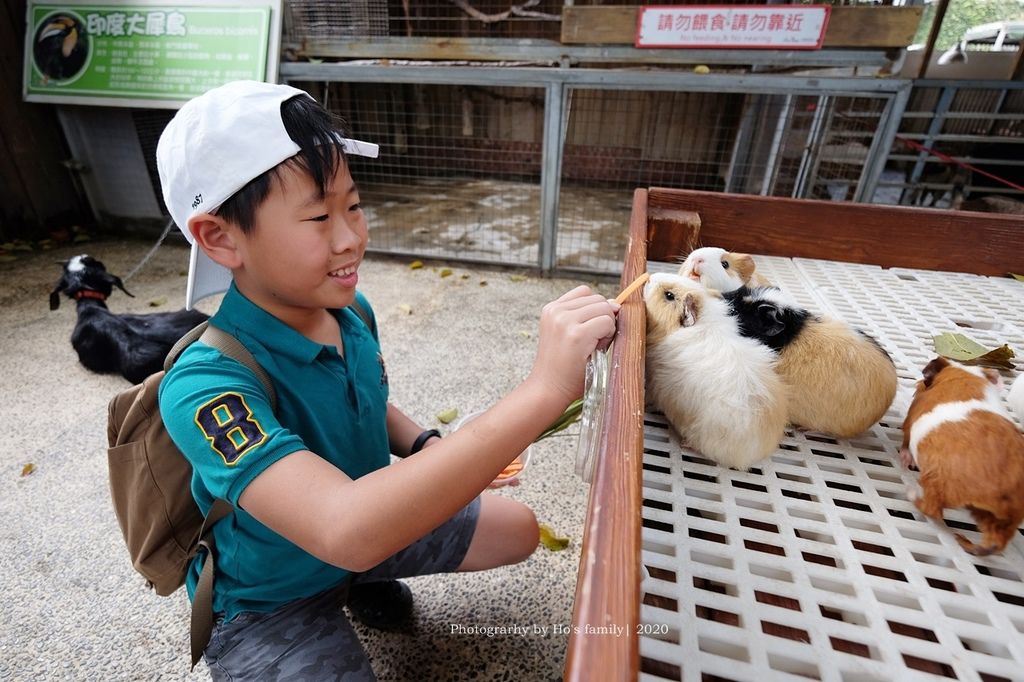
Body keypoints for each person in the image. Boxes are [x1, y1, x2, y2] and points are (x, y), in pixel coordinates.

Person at [155, 80, 619, 680]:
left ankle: (360, 578)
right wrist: (547, 390)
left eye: (352, 204)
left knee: (517, 531)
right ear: (220, 237)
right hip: (269, 598)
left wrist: (426, 443)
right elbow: (341, 526)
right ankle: (332, 589)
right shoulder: (206, 386)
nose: (350, 237)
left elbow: (365, 398)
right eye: (319, 215)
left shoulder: (350, 313)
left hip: (358, 535)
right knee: (358, 539)